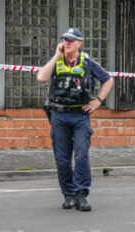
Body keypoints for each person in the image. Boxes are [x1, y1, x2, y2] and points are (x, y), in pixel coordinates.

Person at [37, 28, 114, 211]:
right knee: (62, 159)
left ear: (79, 43)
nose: (67, 43)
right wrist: (56, 56)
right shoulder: (57, 61)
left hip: (80, 116)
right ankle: (68, 195)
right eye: (65, 39)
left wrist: (98, 101)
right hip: (59, 115)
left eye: (71, 40)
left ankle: (81, 194)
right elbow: (41, 77)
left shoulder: (87, 63)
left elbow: (108, 80)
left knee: (81, 155)